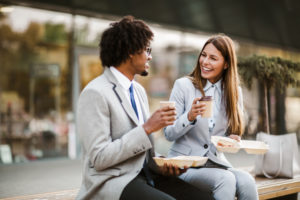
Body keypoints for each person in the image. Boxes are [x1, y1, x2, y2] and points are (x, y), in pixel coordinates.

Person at [76, 16, 213, 200]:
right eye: (147, 49)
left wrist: (163, 165)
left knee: (204, 198)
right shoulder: (95, 93)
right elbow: (99, 158)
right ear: (131, 51)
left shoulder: (138, 90)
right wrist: (148, 127)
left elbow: (143, 154)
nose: (150, 56)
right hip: (112, 182)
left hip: (145, 176)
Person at [164, 34, 258, 200]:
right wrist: (190, 116)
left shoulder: (234, 92)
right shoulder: (183, 86)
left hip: (216, 162)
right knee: (226, 179)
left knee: (248, 181)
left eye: (213, 58)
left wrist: (231, 140)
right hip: (184, 164)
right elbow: (168, 133)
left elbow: (228, 135)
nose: (205, 62)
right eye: (203, 55)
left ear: (226, 64)